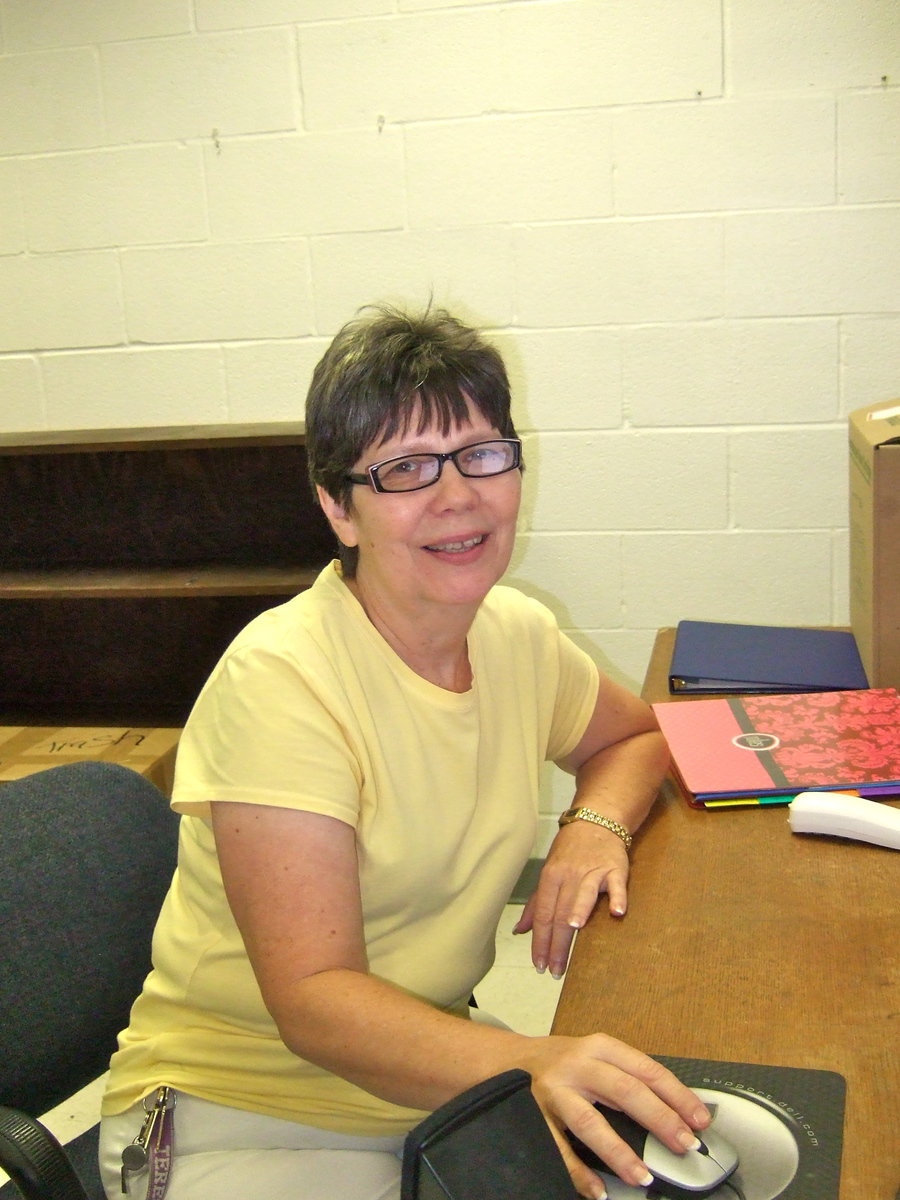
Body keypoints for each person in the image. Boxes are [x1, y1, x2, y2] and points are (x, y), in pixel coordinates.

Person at [99, 304, 710, 1200]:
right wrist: (526, 1061)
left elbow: (636, 736)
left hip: (428, 1085)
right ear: (338, 509)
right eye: (405, 469)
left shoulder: (515, 635)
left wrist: (592, 824)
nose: (457, 494)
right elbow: (314, 1001)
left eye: (482, 453)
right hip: (246, 1114)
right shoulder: (284, 680)